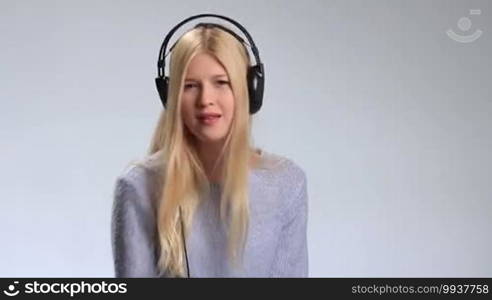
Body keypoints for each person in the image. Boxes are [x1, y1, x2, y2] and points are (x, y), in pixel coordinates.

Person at [110, 15, 309, 278]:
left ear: (249, 90)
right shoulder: (138, 187)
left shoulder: (286, 183)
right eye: (190, 86)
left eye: (221, 83)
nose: (206, 99)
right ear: (171, 96)